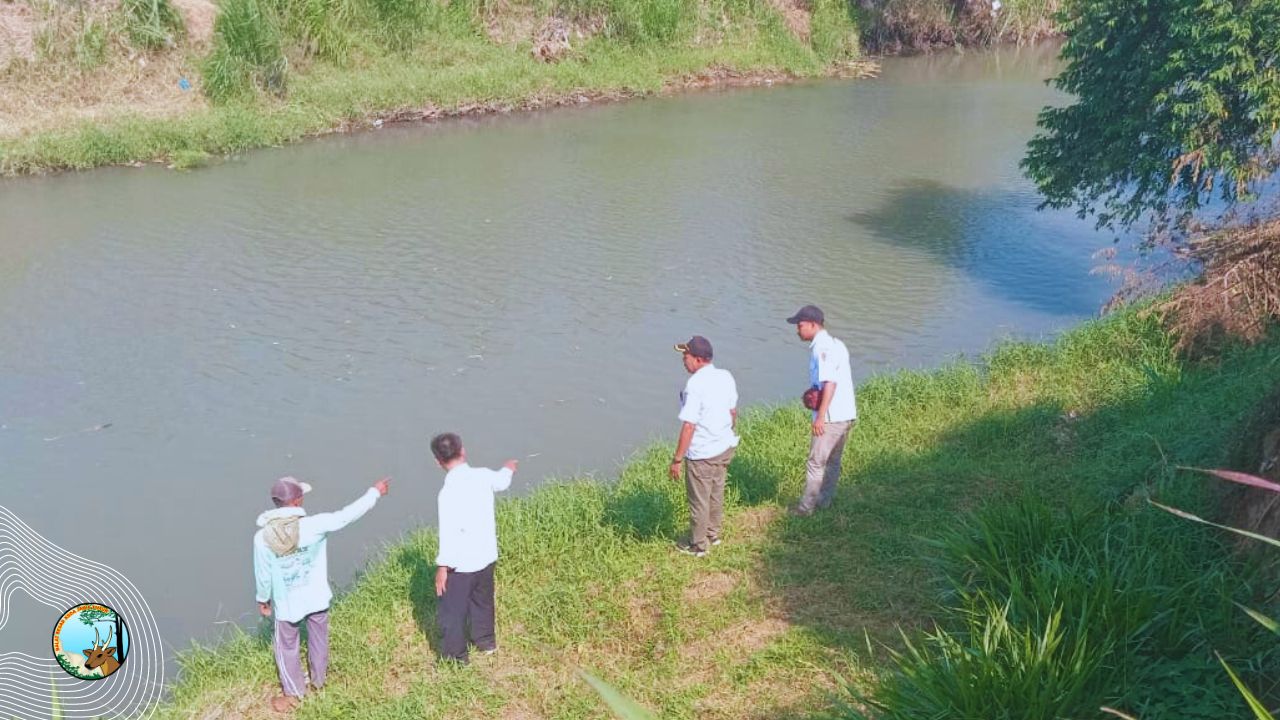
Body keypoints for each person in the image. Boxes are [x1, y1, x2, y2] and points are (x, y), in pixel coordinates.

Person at [254, 475, 390, 713]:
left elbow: (263, 574)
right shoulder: (315, 525)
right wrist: (374, 492)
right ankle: (319, 682)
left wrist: (263, 598)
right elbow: (347, 515)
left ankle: (294, 694)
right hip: (316, 597)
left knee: (286, 646)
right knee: (318, 640)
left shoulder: (262, 538)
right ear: (297, 501)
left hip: (288, 604)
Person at [431, 433, 517, 663]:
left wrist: (442, 567)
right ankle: (486, 642)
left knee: (453, 612)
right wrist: (509, 468)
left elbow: (449, 532)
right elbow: (502, 481)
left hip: (462, 564)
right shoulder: (483, 476)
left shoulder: (447, 493)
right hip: (486, 556)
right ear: (464, 451)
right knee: (483, 601)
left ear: (438, 461)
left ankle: (457, 658)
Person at [669, 336, 739, 557]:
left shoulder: (695, 385)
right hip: (724, 446)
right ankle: (713, 533)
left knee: (699, 499)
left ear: (698, 359)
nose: (683, 359)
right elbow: (732, 412)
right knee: (716, 492)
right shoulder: (725, 376)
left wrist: (677, 460)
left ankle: (698, 545)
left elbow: (689, 426)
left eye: (686, 355)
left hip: (702, 453)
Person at [787, 304, 857, 516]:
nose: (797, 330)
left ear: (813, 324)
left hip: (831, 417)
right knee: (833, 461)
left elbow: (830, 383)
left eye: (800, 325)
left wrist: (820, 418)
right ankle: (824, 501)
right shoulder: (837, 344)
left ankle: (806, 508)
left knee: (816, 462)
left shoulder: (822, 348)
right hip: (845, 414)